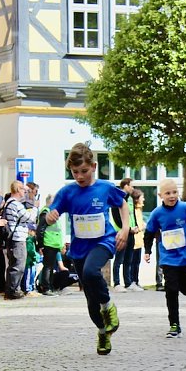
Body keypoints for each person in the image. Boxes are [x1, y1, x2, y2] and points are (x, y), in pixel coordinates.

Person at [45, 143, 129, 355]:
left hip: (103, 241)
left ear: (93, 166)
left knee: (92, 272)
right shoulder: (68, 192)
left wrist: (125, 228)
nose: (80, 176)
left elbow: (122, 204)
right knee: (91, 299)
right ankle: (103, 331)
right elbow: (51, 213)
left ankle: (108, 307)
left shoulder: (105, 188)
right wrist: (50, 217)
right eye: (75, 172)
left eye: (84, 171)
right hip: (79, 248)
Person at [143, 179, 186, 337]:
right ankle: (174, 325)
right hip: (168, 258)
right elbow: (149, 233)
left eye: (174, 192)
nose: (172, 196)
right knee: (171, 290)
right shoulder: (157, 213)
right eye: (168, 193)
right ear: (160, 195)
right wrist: (147, 251)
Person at [3, 180, 31, 299]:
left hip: (13, 237)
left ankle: (13, 289)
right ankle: (13, 290)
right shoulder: (15, 204)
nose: (25, 192)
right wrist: (34, 208)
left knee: (14, 264)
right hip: (17, 238)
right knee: (18, 265)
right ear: (18, 189)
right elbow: (29, 217)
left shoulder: (9, 202)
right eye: (23, 189)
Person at [111, 177, 138, 292]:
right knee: (119, 259)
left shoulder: (130, 199)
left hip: (131, 233)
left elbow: (132, 215)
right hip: (121, 233)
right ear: (125, 185)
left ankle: (128, 282)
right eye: (131, 186)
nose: (133, 188)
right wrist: (127, 229)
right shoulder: (117, 198)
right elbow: (116, 217)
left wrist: (136, 226)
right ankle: (117, 283)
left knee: (128, 259)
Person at [36, 193, 64, 296]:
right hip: (48, 243)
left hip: (54, 243)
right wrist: (40, 244)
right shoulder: (46, 212)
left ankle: (50, 287)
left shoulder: (52, 212)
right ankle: (46, 288)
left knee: (51, 267)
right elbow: (40, 228)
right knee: (48, 266)